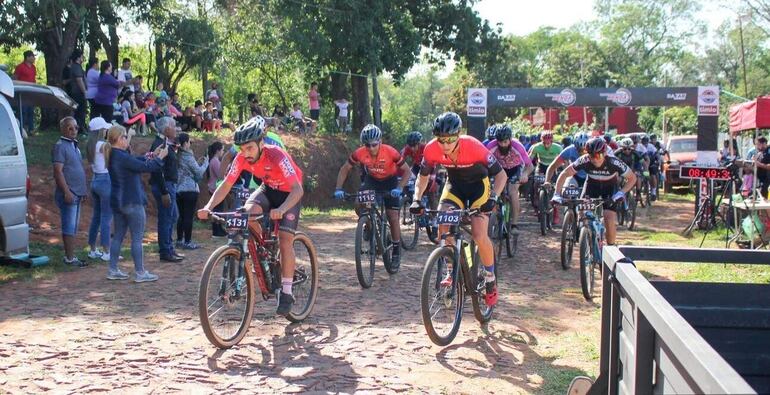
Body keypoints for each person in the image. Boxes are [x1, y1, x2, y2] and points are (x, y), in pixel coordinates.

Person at [198, 117, 305, 315]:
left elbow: (298, 190)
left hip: (290, 193)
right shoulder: (240, 158)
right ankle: (263, 250)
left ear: (261, 144)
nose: (245, 153)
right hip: (269, 189)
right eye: (242, 149)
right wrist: (209, 206)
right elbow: (226, 185)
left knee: (284, 239)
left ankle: (287, 292)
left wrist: (281, 209)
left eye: (249, 148)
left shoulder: (277, 155)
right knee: (245, 213)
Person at [410, 112, 507, 307]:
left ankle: (490, 277)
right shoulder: (430, 149)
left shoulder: (473, 146)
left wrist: (493, 198)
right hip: (454, 186)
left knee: (479, 234)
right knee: (443, 227)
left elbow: (501, 175)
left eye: (450, 139)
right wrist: (416, 199)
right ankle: (451, 269)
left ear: (458, 134)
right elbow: (422, 177)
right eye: (441, 140)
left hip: (478, 186)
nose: (445, 145)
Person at [334, 124, 411, 269]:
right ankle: (368, 225)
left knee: (392, 216)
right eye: (367, 145)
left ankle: (395, 250)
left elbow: (407, 171)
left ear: (380, 141)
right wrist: (338, 188)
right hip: (372, 180)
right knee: (359, 203)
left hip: (390, 181)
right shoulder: (359, 153)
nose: (371, 148)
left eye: (374, 145)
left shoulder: (391, 152)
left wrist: (400, 188)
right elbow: (345, 169)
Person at [107, 125, 169, 282]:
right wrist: (160, 158)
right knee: (136, 238)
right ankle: (140, 272)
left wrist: (152, 155)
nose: (127, 139)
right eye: (125, 136)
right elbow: (144, 167)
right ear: (120, 138)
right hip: (132, 201)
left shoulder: (115, 155)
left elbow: (136, 161)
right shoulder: (121, 155)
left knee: (118, 237)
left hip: (119, 201)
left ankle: (113, 269)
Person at [552, 138, 636, 246]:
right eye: (592, 156)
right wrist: (556, 194)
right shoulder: (584, 160)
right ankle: (586, 235)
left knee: (609, 218)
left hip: (610, 188)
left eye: (598, 156)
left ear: (605, 153)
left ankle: (610, 248)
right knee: (583, 213)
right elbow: (564, 174)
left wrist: (621, 192)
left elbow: (632, 178)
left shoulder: (613, 162)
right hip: (592, 185)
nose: (595, 160)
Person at [52, 117, 88, 267]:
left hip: (77, 193)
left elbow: (78, 168)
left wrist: (83, 190)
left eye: (76, 128)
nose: (73, 131)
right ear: (63, 129)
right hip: (69, 193)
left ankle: (71, 256)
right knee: (69, 226)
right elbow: (58, 171)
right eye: (70, 128)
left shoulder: (75, 146)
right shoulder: (60, 146)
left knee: (73, 226)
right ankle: (69, 258)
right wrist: (66, 192)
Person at [486, 124, 534, 233]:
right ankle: (493, 215)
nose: (503, 145)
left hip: (515, 169)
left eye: (505, 142)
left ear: (510, 139)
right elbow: (482, 162)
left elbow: (530, 166)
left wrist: (525, 174)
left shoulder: (517, 146)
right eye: (500, 142)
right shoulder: (491, 146)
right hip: (500, 169)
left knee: (513, 192)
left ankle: (514, 224)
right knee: (494, 190)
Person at [149, 117, 183, 262]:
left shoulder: (165, 143)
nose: (176, 129)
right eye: (174, 126)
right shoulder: (159, 145)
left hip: (168, 185)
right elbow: (157, 170)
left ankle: (168, 247)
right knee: (166, 218)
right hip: (165, 185)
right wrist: (164, 192)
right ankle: (165, 250)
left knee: (172, 216)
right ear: (167, 129)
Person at [86, 117, 114, 261]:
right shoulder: (104, 145)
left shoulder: (90, 145)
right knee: (106, 217)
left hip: (95, 179)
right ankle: (107, 251)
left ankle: (92, 248)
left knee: (97, 216)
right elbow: (114, 156)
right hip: (105, 180)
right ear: (101, 130)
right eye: (105, 129)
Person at [175, 132, 208, 249]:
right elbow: (198, 172)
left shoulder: (177, 155)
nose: (190, 144)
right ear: (185, 143)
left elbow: (188, 169)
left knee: (181, 216)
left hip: (178, 190)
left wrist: (197, 163)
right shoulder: (187, 156)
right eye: (189, 142)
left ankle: (179, 240)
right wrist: (205, 164)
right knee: (188, 216)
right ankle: (188, 242)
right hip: (189, 189)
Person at [12, 50, 36, 134]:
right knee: (23, 110)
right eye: (32, 56)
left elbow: (33, 79)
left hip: (31, 91)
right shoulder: (20, 67)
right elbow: (14, 78)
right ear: (28, 57)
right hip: (22, 92)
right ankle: (21, 129)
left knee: (31, 110)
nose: (34, 58)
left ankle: (31, 129)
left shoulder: (33, 67)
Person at [206, 141, 227, 237]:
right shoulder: (215, 161)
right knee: (217, 210)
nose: (223, 152)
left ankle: (219, 229)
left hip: (215, 188)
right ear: (218, 151)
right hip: (215, 188)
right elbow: (220, 174)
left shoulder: (214, 160)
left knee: (218, 210)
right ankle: (216, 230)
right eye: (222, 150)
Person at [68, 50, 87, 132]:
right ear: (78, 58)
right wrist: (85, 92)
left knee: (79, 112)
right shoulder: (76, 67)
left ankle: (78, 128)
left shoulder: (76, 66)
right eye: (82, 56)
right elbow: (79, 80)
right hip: (78, 93)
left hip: (77, 93)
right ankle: (79, 129)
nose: (83, 58)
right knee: (80, 112)